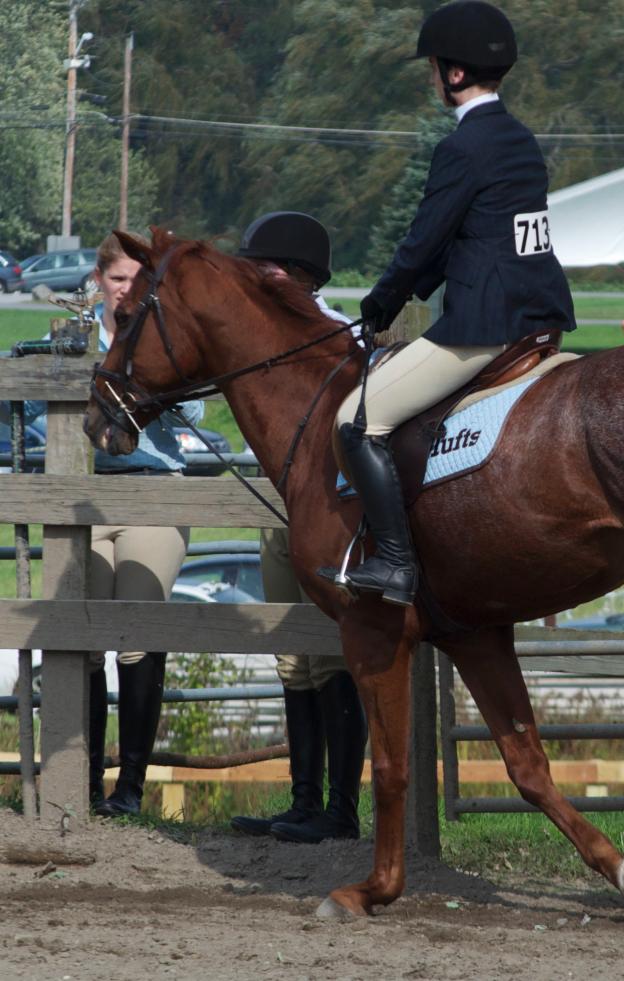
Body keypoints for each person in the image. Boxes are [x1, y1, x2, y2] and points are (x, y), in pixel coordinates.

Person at [318, 0, 576, 605]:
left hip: (483, 327)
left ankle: (397, 566)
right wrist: (412, 288)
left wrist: (380, 302)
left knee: (354, 424)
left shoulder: (461, 148)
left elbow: (424, 240)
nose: (432, 79)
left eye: (434, 68)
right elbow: (478, 235)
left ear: (454, 75)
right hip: (540, 319)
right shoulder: (518, 139)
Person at [2, 232, 205, 817]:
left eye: (138, 282)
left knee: (137, 636)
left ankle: (131, 790)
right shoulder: (73, 336)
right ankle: (81, 785)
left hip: (151, 492)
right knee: (81, 640)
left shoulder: (165, 335)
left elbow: (194, 409)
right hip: (83, 498)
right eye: (118, 280)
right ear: (98, 282)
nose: (126, 291)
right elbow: (32, 404)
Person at [229, 211, 367, 843]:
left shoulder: (339, 336)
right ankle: (303, 801)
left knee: (335, 655)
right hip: (279, 510)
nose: (258, 275)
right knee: (293, 661)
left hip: (332, 513)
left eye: (269, 267)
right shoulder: (257, 340)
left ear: (302, 277)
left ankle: (341, 810)